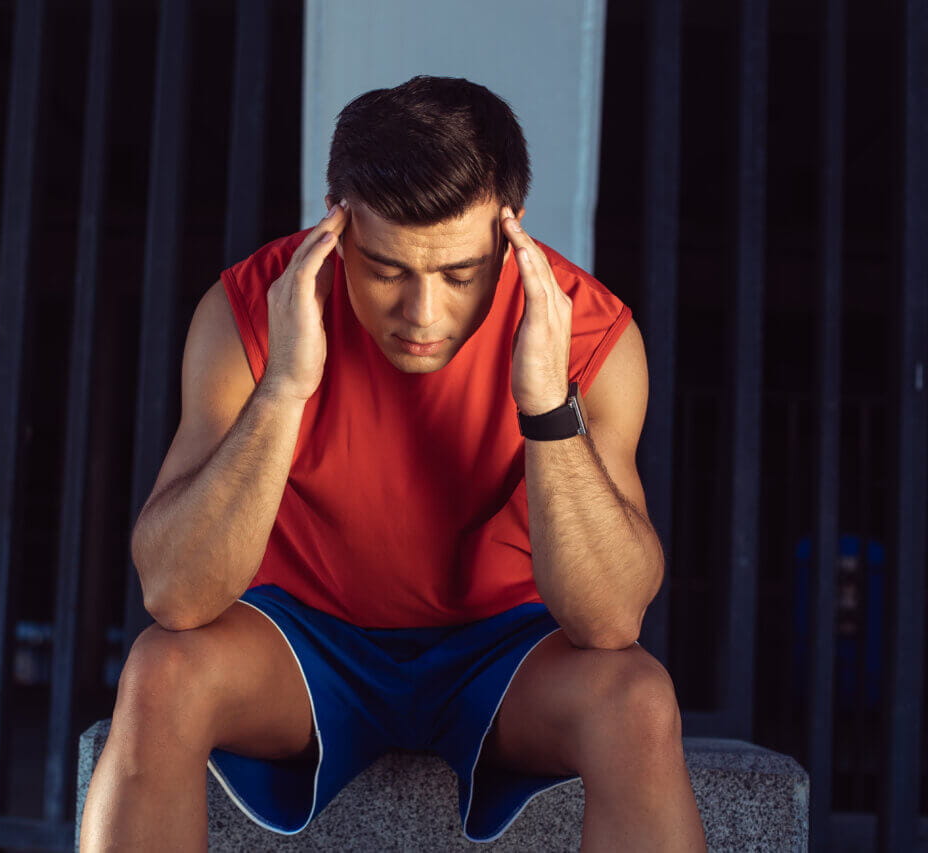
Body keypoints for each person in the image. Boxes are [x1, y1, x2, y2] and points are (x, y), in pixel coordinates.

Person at [80, 76, 706, 851]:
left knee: (638, 701)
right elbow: (173, 591)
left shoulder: (590, 334)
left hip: (505, 649)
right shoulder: (252, 308)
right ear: (336, 229)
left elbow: (611, 618)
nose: (422, 314)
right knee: (161, 673)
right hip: (302, 642)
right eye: (385, 270)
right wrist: (283, 389)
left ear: (510, 236)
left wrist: (546, 406)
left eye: (458, 275)